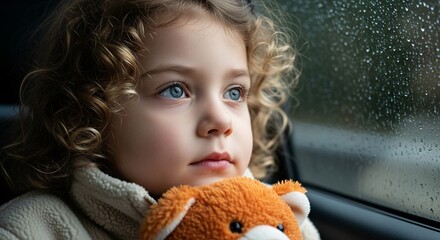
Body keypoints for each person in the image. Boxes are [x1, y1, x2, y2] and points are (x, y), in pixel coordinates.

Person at [0, 0, 320, 239]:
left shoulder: (281, 219)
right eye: (175, 90)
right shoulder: (36, 227)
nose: (221, 120)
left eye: (234, 93)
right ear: (91, 109)